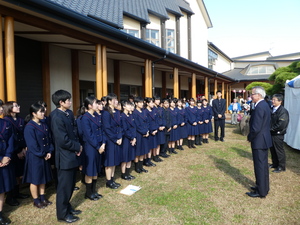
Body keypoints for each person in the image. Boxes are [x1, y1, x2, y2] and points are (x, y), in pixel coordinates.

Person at [50, 90, 82, 223]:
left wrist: (78, 146)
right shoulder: (56, 117)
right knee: (64, 187)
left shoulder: (68, 113)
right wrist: (77, 147)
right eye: (67, 100)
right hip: (64, 157)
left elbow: (74, 132)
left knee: (71, 184)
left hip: (72, 154)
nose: (70, 102)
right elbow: (62, 140)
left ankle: (68, 207)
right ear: (60, 102)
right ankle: (62, 214)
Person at [23, 103, 53, 208]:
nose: (43, 113)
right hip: (35, 157)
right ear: (34, 113)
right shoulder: (29, 127)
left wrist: (49, 151)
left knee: (43, 177)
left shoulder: (43, 124)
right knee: (35, 179)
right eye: (40, 111)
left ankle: (43, 197)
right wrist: (43, 154)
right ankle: (36, 200)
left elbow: (49, 139)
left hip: (45, 155)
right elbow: (32, 145)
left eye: (43, 111)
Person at [246, 86, 272, 198]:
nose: (251, 96)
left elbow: (256, 127)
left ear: (259, 95)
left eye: (252, 94)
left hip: (259, 140)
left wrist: (250, 137)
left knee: (260, 166)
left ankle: (261, 191)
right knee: (262, 165)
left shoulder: (260, 107)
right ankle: (262, 186)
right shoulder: (264, 105)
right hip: (263, 139)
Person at [3, 101, 29, 206]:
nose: (18, 107)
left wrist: (24, 148)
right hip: (12, 152)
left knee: (19, 173)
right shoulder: (6, 121)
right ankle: (10, 197)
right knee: (12, 175)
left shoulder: (20, 120)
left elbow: (23, 135)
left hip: (22, 150)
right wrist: (18, 151)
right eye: (16, 106)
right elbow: (11, 138)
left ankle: (17, 192)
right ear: (9, 108)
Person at [81, 96, 105, 200]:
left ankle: (94, 191)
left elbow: (102, 130)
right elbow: (89, 135)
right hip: (91, 147)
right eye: (96, 103)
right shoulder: (85, 118)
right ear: (90, 105)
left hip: (99, 145)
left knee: (96, 169)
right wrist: (97, 146)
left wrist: (103, 143)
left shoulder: (96, 116)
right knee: (90, 170)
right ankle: (88, 192)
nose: (98, 105)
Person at [102, 93, 123, 189]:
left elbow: (120, 126)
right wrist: (115, 139)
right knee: (109, 161)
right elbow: (107, 128)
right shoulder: (106, 113)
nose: (116, 101)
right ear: (109, 101)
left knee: (114, 160)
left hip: (117, 139)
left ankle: (112, 178)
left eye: (116, 99)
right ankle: (108, 181)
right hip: (110, 140)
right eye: (114, 100)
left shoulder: (118, 112)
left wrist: (120, 137)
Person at [0, 99, 15, 225]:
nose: (1, 109)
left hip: (5, 159)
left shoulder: (5, 123)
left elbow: (10, 140)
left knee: (2, 188)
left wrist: (7, 155)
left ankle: (0, 213)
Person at [269, 94, 289, 173]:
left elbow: (281, 124)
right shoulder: (272, 109)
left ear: (280, 101)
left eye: (274, 100)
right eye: (272, 99)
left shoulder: (283, 111)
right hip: (271, 133)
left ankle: (281, 166)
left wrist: (271, 129)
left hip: (278, 134)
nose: (272, 101)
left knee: (279, 150)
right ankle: (274, 163)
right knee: (272, 149)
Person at [120, 101, 136, 180]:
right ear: (124, 107)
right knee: (125, 157)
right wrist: (131, 138)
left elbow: (134, 127)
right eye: (128, 105)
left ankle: (128, 173)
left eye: (130, 105)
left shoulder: (130, 115)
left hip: (132, 137)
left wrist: (134, 137)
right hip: (126, 139)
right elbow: (125, 129)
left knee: (130, 156)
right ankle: (123, 174)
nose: (130, 107)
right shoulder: (122, 116)